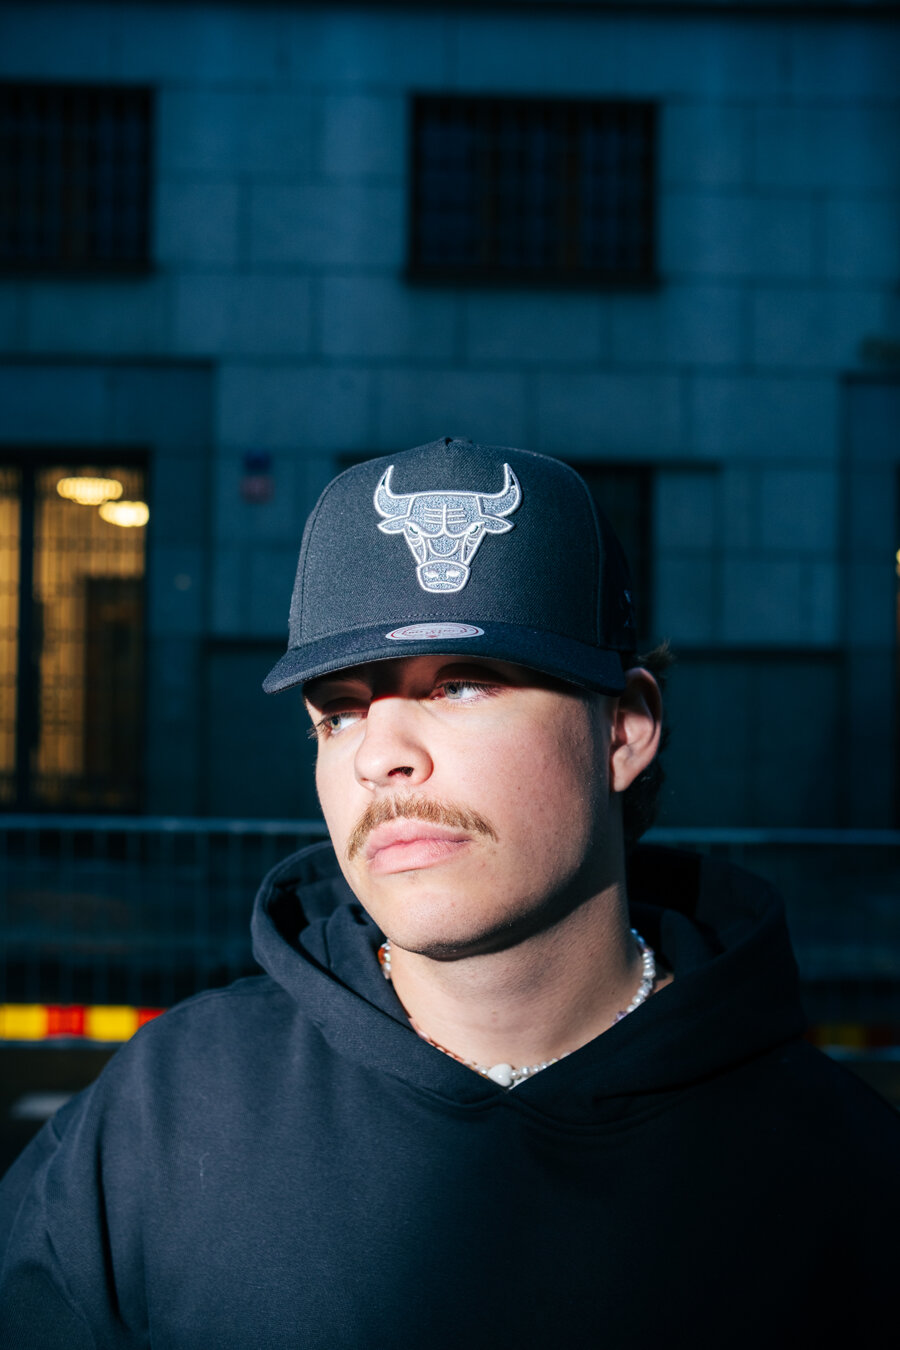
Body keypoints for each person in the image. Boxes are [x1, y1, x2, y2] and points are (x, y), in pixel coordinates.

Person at [1, 437, 897, 1348]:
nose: (379, 755)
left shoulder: (841, 1174)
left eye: (461, 685)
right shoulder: (165, 1115)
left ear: (623, 730)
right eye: (339, 712)